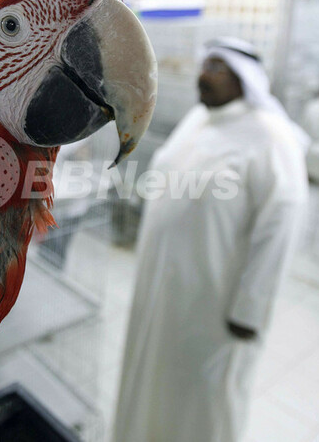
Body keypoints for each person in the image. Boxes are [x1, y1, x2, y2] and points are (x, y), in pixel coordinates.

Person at [112, 38, 308, 442]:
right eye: (206, 65)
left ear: (244, 80)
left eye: (218, 68)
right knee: (150, 384)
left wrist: (250, 310)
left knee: (202, 402)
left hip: (214, 307)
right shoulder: (199, 119)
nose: (205, 74)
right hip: (163, 293)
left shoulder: (271, 137)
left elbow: (281, 225)